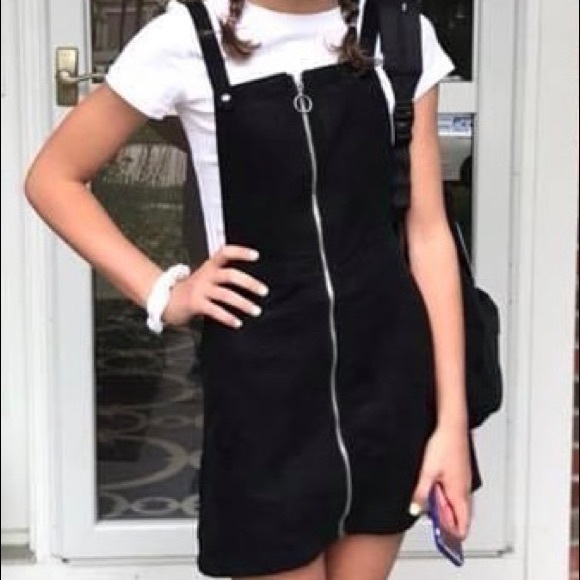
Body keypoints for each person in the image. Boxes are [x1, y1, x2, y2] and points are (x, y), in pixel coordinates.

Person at [25, 0, 479, 578]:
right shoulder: (186, 37)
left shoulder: (401, 34)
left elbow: (428, 233)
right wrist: (163, 292)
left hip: (385, 385)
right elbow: (54, 177)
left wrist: (450, 424)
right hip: (265, 394)